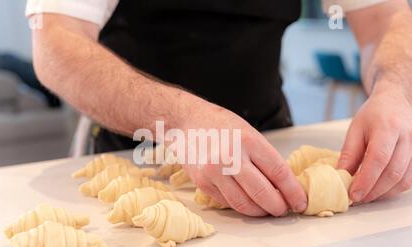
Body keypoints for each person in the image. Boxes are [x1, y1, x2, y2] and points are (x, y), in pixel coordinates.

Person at [27, 0, 412, 217]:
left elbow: (385, 19)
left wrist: (394, 88)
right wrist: (180, 121)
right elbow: (56, 41)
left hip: (268, 138)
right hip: (132, 154)